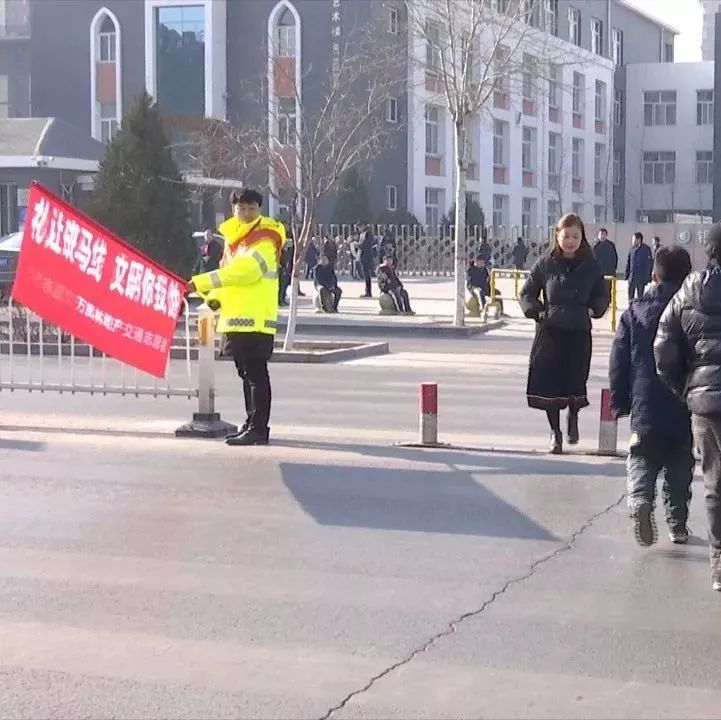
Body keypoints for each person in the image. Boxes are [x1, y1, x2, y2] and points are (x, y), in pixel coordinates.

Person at [609, 246, 694, 548]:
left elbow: (618, 360)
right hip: (683, 400)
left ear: (654, 275)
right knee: (680, 467)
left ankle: (641, 497)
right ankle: (678, 526)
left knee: (642, 456)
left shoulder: (634, 311)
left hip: (644, 401)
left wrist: (619, 400)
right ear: (688, 276)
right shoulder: (691, 309)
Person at [186, 188, 284, 447]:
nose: (247, 213)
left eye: (252, 208)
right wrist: (213, 299)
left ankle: (259, 428)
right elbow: (227, 275)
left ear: (259, 210)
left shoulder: (264, 239)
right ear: (234, 210)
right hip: (239, 318)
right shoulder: (236, 242)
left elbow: (245, 273)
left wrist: (199, 283)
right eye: (242, 208)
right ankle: (252, 423)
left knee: (256, 375)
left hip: (255, 319)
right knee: (247, 374)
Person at [655, 223, 721, 592]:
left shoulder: (689, 291)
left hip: (707, 405)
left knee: (715, 483)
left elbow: (663, 350)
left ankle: (719, 564)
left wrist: (687, 390)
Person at [519, 213, 609, 454]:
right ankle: (555, 433)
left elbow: (602, 294)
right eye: (566, 235)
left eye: (575, 236)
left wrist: (594, 309)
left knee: (575, 380)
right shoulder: (545, 264)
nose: (570, 241)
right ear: (557, 236)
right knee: (549, 385)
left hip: (578, 333)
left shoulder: (591, 265)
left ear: (582, 238)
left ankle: (574, 416)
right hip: (550, 333)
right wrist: (537, 313)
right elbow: (527, 294)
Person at [626, 231, 653, 301]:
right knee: (630, 295)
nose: (632, 241)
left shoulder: (646, 249)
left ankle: (639, 308)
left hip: (641, 277)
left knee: (640, 296)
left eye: (634, 239)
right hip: (632, 277)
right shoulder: (631, 249)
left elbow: (648, 264)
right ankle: (630, 307)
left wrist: (647, 277)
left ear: (639, 239)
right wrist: (627, 274)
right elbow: (628, 262)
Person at [359, 224, 375, 298]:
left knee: (367, 275)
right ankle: (367, 291)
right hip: (365, 256)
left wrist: (357, 244)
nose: (359, 229)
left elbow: (364, 245)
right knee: (366, 275)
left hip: (366, 256)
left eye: (359, 226)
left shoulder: (367, 234)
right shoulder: (365, 234)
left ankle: (368, 292)